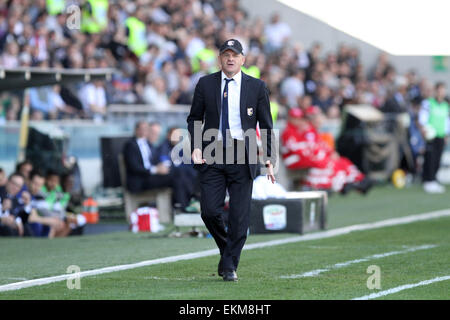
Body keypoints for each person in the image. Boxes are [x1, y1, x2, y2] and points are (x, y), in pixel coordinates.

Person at [187, 39, 276, 282]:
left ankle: (229, 266)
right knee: (209, 211)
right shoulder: (205, 84)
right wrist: (195, 146)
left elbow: (266, 126)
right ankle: (228, 251)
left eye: (235, 55)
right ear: (219, 59)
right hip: (212, 153)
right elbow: (194, 118)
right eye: (226, 54)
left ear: (242, 59)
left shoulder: (257, 87)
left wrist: (269, 159)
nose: (230, 58)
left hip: (243, 155)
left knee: (239, 217)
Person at [122, 121, 191, 209]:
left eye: (146, 129)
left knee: (180, 173)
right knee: (177, 174)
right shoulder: (130, 145)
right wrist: (155, 169)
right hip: (140, 181)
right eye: (142, 129)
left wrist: (161, 166)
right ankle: (183, 205)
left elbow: (154, 161)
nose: (145, 131)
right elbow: (134, 167)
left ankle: (183, 205)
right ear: (136, 130)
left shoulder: (148, 144)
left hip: (151, 178)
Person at [419, 82, 450, 193]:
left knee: (437, 158)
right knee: (430, 157)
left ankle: (434, 179)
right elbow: (423, 117)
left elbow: (446, 120)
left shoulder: (446, 105)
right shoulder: (428, 103)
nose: (441, 92)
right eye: (439, 90)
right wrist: (424, 128)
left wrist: (447, 133)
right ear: (436, 91)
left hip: (441, 135)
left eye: (443, 90)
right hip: (431, 134)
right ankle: (428, 180)